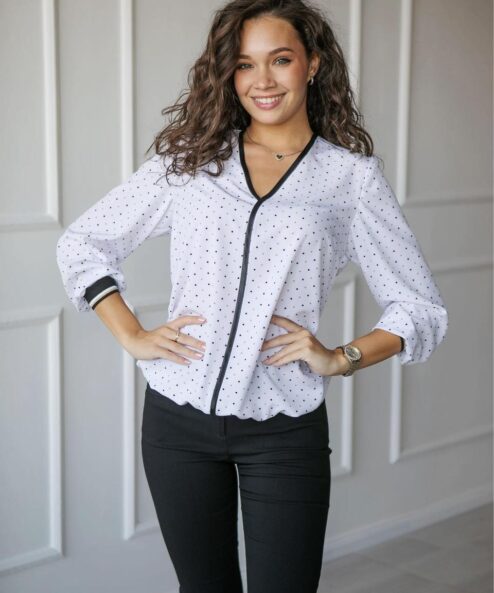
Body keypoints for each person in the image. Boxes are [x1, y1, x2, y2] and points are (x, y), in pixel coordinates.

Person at [56, 0, 449, 591]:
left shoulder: (351, 179)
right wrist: (132, 335)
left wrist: (340, 358)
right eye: (244, 64)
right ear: (228, 73)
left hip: (283, 428)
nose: (262, 80)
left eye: (280, 59)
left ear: (313, 64)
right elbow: (84, 242)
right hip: (176, 420)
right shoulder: (191, 162)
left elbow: (419, 306)